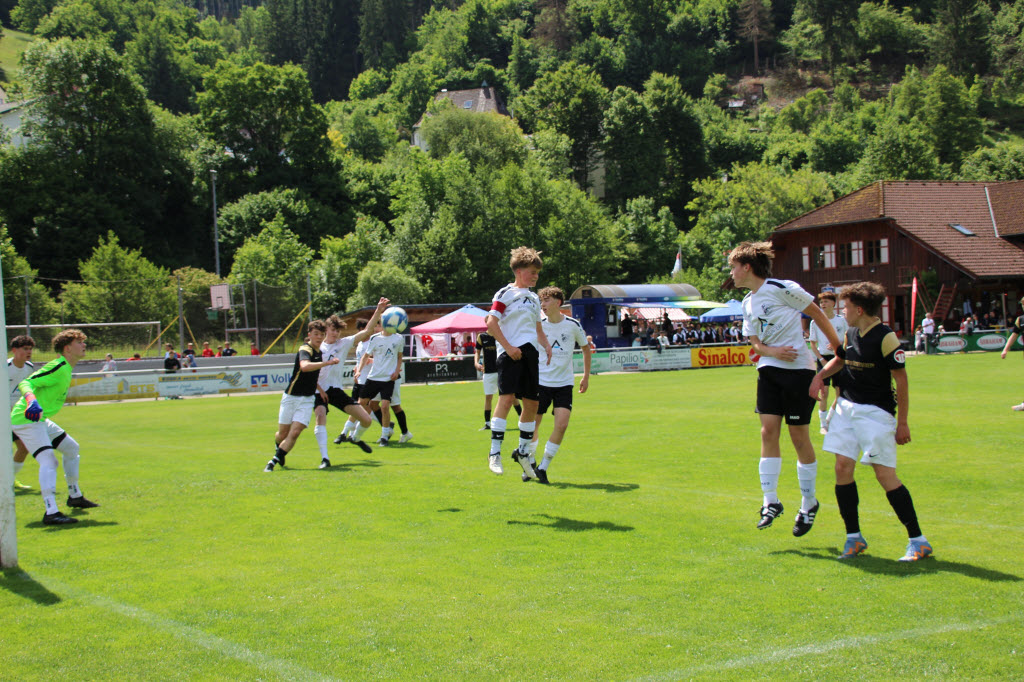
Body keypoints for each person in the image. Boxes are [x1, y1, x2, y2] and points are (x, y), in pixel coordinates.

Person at [809, 282, 932, 562]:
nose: (843, 311)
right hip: (846, 408)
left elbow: (901, 381)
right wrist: (820, 376)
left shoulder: (886, 338)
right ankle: (854, 538)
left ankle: (918, 541)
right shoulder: (850, 332)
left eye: (846, 306)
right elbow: (841, 360)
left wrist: (903, 423)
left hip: (876, 413)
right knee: (842, 468)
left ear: (860, 309)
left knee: (884, 475)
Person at [729, 241, 841, 536]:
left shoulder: (781, 288)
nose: (731, 273)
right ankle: (771, 501)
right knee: (767, 432)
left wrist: (839, 348)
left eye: (733, 267)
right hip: (768, 371)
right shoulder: (746, 303)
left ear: (747, 267)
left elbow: (817, 314)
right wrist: (772, 352)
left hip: (799, 372)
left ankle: (808, 503)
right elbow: (754, 343)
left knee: (799, 437)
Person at [11, 329, 99, 525]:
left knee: (71, 448)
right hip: (26, 419)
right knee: (49, 462)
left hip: (40, 418)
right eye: (79, 342)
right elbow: (26, 383)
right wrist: (32, 401)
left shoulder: (66, 368)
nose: (84, 345)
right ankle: (51, 512)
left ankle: (75, 496)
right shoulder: (58, 366)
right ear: (67, 348)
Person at [485, 246, 553, 477]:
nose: (535, 277)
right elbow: (491, 323)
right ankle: (494, 453)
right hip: (510, 353)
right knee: (506, 400)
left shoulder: (534, 298)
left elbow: (538, 328)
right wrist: (508, 348)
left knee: (532, 405)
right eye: (532, 272)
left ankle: (523, 452)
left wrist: (546, 345)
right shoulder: (505, 293)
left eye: (537, 273)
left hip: (530, 355)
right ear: (519, 271)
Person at [522, 286, 591, 484]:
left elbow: (586, 349)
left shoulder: (573, 325)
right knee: (533, 426)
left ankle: (543, 467)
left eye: (546, 301)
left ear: (558, 302)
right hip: (540, 383)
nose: (542, 305)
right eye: (541, 302)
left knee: (562, 425)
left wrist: (586, 377)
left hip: (564, 384)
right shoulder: (538, 326)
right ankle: (530, 464)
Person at [312, 300, 388, 468]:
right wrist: (318, 388)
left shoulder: (343, 343)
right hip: (319, 391)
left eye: (338, 330)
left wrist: (378, 310)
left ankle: (355, 438)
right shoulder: (318, 347)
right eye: (332, 330)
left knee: (366, 420)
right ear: (326, 330)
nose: (335, 333)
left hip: (335, 391)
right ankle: (325, 458)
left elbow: (367, 331)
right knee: (320, 417)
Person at [264, 320, 340, 472]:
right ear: (309, 334)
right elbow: (305, 367)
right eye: (316, 334)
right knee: (282, 434)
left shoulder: (319, 353)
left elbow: (312, 376)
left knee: (295, 432)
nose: (319, 337)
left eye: (322, 334)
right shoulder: (305, 349)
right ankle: (279, 448)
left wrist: (320, 389)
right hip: (291, 397)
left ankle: (272, 462)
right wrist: (328, 363)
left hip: (307, 399)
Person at [358, 315, 405, 446]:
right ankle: (354, 435)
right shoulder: (374, 338)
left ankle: (385, 436)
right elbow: (366, 356)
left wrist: (397, 371)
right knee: (363, 403)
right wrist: (358, 370)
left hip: (389, 379)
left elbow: (399, 356)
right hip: (373, 377)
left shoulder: (398, 338)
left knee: (386, 406)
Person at [807, 291, 849, 434]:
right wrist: (821, 359)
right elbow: (813, 344)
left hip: (838, 358)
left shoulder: (841, 321)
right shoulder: (815, 321)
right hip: (823, 358)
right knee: (823, 392)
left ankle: (829, 420)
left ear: (833, 304)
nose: (823, 304)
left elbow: (848, 338)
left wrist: (838, 345)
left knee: (839, 393)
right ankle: (823, 424)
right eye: (821, 302)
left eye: (826, 301)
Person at [8, 335, 37, 491]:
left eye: (30, 349)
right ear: (14, 350)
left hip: (15, 416)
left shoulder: (29, 368)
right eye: (25, 349)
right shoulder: (5, 367)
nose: (29, 352)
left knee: (24, 447)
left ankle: (10, 479)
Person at [1000, 295, 1024, 411]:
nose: (1023, 306)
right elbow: (1014, 335)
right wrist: (1005, 349)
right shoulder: (1020, 320)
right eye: (1023, 304)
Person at [474, 330, 498, 430]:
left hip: (501, 370)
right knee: (488, 397)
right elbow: (477, 352)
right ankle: (487, 424)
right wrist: (476, 363)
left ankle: (521, 418)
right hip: (488, 372)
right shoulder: (482, 336)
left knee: (511, 396)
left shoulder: (501, 333)